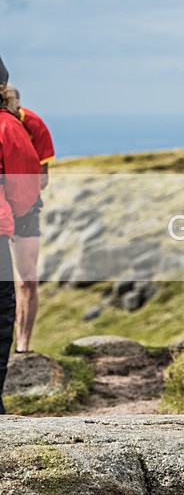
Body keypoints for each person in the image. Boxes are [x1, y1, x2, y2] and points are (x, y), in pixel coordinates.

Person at [0, 60, 43, 413]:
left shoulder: (27, 124)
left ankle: (24, 345)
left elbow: (36, 174)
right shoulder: (8, 125)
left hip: (14, 217)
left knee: (23, 282)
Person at [6, 85, 55, 353]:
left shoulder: (33, 124)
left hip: (25, 207)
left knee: (27, 279)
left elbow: (43, 178)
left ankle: (23, 345)